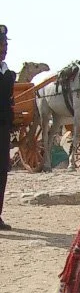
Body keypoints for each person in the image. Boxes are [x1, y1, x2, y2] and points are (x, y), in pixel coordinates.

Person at [0, 24, 14, 230]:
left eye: (5, 44)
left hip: (2, 127)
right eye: (1, 43)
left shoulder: (7, 72)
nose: (5, 47)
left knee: (2, 170)